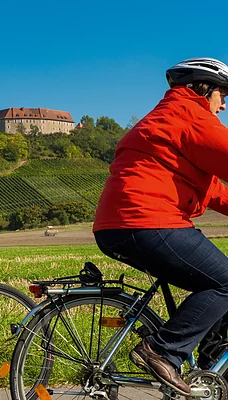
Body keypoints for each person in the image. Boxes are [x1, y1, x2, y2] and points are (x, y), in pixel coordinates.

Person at [93, 57, 228, 396]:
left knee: (215, 287)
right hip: (147, 219)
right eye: (222, 95)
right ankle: (163, 350)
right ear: (204, 89)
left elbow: (214, 191)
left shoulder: (170, 118)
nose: (223, 105)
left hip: (124, 223)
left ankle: (210, 371)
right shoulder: (190, 114)